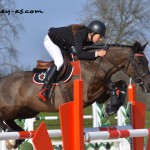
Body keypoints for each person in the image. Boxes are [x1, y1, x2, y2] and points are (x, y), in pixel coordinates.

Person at [38, 20, 107, 101]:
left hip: (62, 45)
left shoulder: (88, 40)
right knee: (59, 62)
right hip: (51, 41)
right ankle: (44, 88)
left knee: (72, 60)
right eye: (100, 36)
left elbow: (87, 51)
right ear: (92, 33)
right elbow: (80, 54)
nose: (100, 39)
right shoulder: (81, 34)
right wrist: (96, 54)